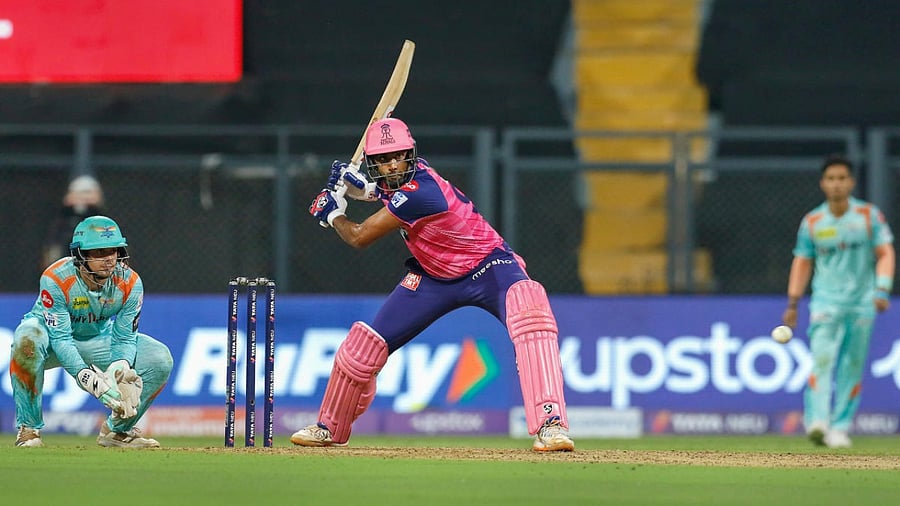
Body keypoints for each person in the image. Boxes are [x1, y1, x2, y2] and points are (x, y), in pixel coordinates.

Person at [295, 118, 574, 452]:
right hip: (433, 276)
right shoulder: (404, 184)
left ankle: (551, 425)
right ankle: (328, 427)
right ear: (373, 163)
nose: (392, 164)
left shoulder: (421, 191)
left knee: (531, 311)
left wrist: (334, 214)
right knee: (362, 347)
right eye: (382, 160)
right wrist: (366, 191)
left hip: (489, 266)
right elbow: (392, 192)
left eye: (398, 156)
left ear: (411, 154)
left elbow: (359, 237)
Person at [10, 215, 173, 448]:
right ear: (80, 255)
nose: (109, 259)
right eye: (98, 252)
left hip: (97, 339)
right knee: (26, 338)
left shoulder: (130, 282)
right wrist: (86, 377)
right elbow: (61, 338)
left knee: (159, 358)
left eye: (113, 251)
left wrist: (120, 366)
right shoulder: (56, 278)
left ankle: (117, 431)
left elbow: (125, 336)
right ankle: (29, 429)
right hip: (48, 339)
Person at [781, 154, 895, 448]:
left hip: (861, 304)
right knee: (821, 360)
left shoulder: (869, 216)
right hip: (825, 303)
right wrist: (793, 302)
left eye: (842, 178)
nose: (836, 185)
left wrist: (882, 289)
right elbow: (802, 261)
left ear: (851, 182)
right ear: (823, 184)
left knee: (852, 366)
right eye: (831, 179)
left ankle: (840, 427)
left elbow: (885, 253)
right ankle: (817, 422)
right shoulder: (814, 222)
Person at [41, 175, 105, 269]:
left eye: (87, 193)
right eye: (78, 194)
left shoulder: (103, 221)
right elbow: (51, 250)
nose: (83, 198)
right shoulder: (61, 223)